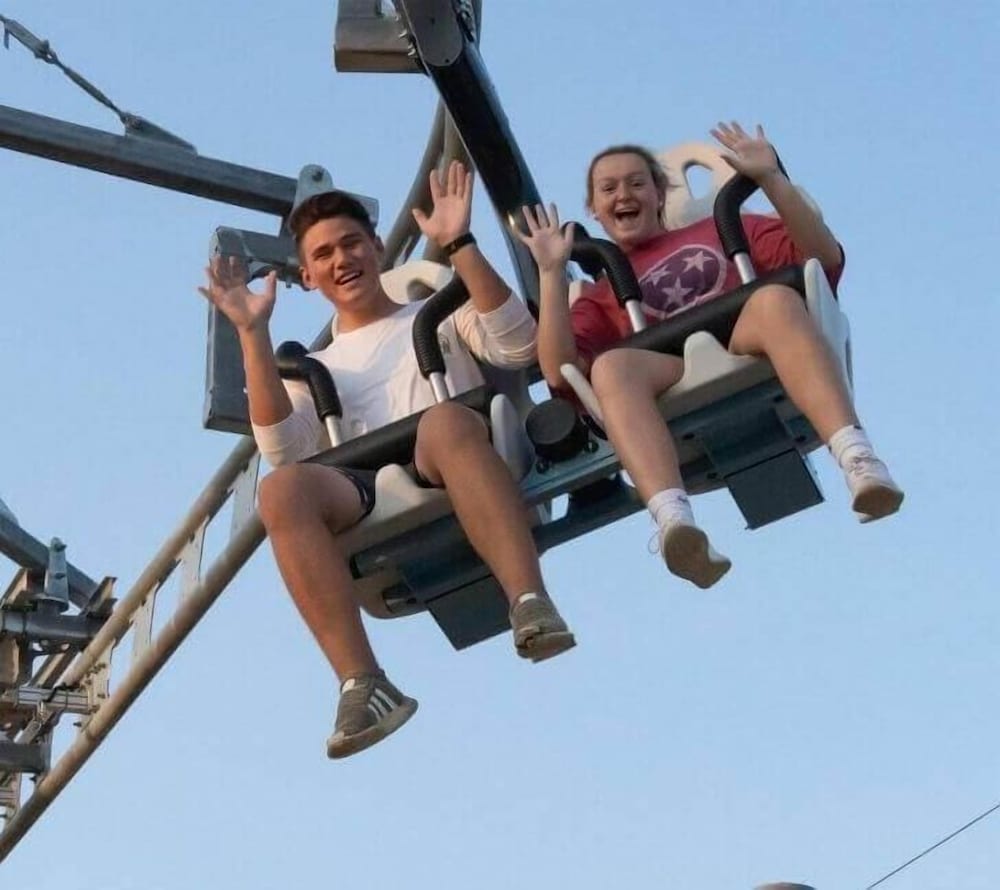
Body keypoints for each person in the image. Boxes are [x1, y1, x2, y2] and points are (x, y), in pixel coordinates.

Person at [199, 161, 575, 759]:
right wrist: (252, 335)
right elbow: (282, 450)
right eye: (323, 254)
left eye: (351, 243)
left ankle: (529, 600)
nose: (341, 259)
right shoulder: (314, 367)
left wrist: (460, 243)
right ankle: (363, 683)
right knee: (279, 491)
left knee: (445, 421)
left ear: (377, 248)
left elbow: (518, 345)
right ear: (307, 276)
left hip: (451, 455)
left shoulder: (438, 313)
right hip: (367, 492)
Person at [517, 122, 903, 590]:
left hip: (746, 341)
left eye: (637, 183)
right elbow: (560, 373)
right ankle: (674, 522)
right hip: (669, 372)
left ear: (660, 194)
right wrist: (551, 274)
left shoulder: (726, 226)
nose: (624, 194)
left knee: (776, 299)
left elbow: (821, 257)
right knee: (610, 367)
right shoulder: (600, 293)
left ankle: (859, 460)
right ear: (593, 210)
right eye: (609, 188)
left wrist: (771, 179)